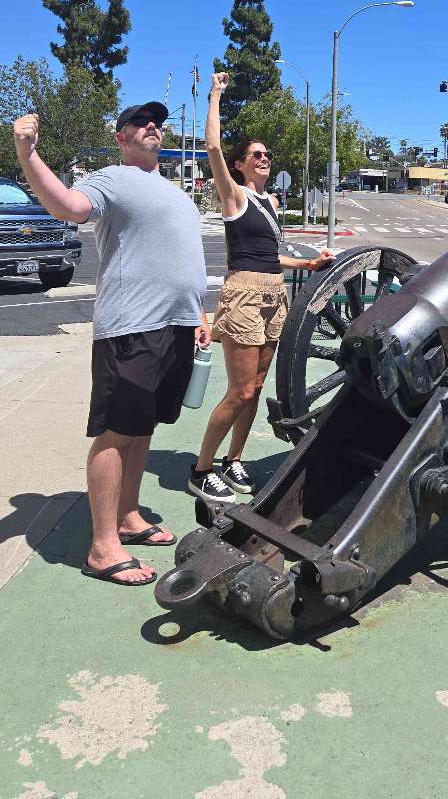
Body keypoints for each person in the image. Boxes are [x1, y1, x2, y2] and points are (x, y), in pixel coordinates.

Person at [13, 102, 211, 587]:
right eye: (141, 122)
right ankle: (103, 547)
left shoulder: (172, 189)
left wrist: (198, 313)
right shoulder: (111, 177)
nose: (153, 127)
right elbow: (68, 207)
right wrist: (27, 153)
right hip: (132, 326)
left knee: (142, 428)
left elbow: (179, 255)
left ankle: (127, 516)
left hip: (176, 325)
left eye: (157, 123)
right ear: (121, 137)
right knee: (116, 432)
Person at [189, 71, 333, 502]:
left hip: (275, 293)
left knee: (257, 387)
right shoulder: (234, 195)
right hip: (245, 296)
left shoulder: (271, 203)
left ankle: (234, 460)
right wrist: (215, 95)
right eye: (255, 154)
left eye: (267, 153)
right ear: (239, 164)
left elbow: (272, 256)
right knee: (239, 391)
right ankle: (201, 468)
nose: (263, 158)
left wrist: (307, 262)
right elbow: (212, 145)